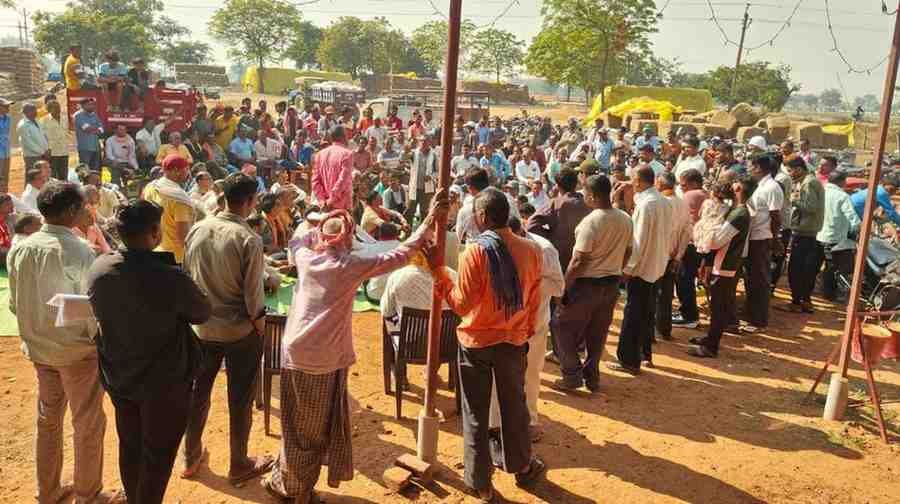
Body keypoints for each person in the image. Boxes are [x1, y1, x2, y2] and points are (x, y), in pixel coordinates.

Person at [261, 191, 448, 503]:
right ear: (348, 238)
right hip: (320, 359)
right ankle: (294, 490)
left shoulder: (306, 257)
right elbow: (401, 254)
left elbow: (298, 238)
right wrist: (429, 219)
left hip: (295, 351)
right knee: (311, 431)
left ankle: (287, 480)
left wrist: (318, 219)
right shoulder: (349, 265)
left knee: (296, 424)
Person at [86, 200, 211, 504]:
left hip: (120, 375)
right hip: (164, 383)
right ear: (155, 232)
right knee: (158, 453)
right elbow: (201, 312)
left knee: (131, 447)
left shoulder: (100, 268)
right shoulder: (169, 276)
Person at [8, 182, 125, 504]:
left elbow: (15, 303)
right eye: (83, 207)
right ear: (73, 211)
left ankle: (48, 491)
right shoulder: (79, 250)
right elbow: (92, 308)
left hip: (40, 350)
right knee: (87, 422)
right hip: (76, 353)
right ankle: (88, 494)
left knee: (48, 421)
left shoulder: (21, 247)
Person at [429, 188, 545, 501]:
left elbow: (461, 304)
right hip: (513, 340)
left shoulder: (474, 253)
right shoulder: (532, 251)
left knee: (476, 412)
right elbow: (534, 300)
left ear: (482, 217)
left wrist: (439, 272)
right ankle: (522, 466)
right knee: (514, 407)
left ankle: (480, 481)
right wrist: (524, 333)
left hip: (477, 342)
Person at [181, 173, 275, 484]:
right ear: (249, 203)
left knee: (198, 394)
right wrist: (261, 327)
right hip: (238, 332)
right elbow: (253, 297)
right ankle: (239, 462)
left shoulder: (197, 229)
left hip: (201, 329)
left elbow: (186, 277)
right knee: (240, 399)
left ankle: (190, 458)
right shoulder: (248, 239)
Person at [552, 174, 632, 391]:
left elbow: (578, 260)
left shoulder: (591, 222)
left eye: (586, 193)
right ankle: (592, 376)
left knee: (561, 325)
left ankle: (571, 375)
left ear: (593, 196)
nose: (584, 196)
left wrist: (564, 288)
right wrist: (616, 267)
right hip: (611, 283)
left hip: (587, 284)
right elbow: (629, 250)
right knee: (597, 333)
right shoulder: (625, 218)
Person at [610, 165, 672, 374]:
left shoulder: (648, 205)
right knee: (646, 312)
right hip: (656, 265)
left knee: (634, 313)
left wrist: (628, 269)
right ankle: (644, 355)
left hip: (642, 268)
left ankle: (628, 360)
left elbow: (638, 241)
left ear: (638, 180)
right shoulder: (662, 200)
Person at [687, 178, 755, 358]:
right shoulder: (737, 211)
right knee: (716, 304)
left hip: (724, 265)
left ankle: (711, 346)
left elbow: (717, 240)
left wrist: (705, 232)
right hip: (722, 263)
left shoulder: (739, 214)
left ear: (739, 188)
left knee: (718, 307)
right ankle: (710, 338)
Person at [744, 154, 783, 331]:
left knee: (760, 280)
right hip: (754, 237)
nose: (748, 169)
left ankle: (758, 320)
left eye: (750, 166)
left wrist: (775, 239)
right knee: (752, 279)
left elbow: (776, 217)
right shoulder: (761, 186)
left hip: (762, 238)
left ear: (759, 168)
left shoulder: (772, 188)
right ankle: (750, 313)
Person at [527, 167, 591, 274]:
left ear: (558, 186)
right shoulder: (588, 203)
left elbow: (531, 225)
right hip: (585, 258)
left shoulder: (555, 204)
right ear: (576, 184)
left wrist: (550, 237)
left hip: (561, 257)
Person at [781, 155, 825, 313]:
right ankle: (803, 300)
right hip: (806, 232)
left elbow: (810, 207)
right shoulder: (807, 181)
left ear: (799, 169)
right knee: (803, 269)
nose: (790, 174)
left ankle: (797, 302)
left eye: (790, 170)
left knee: (797, 269)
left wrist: (792, 199)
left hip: (805, 232)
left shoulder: (809, 183)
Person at [654, 171, 692, 342]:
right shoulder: (681, 203)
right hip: (673, 255)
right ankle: (664, 329)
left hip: (659, 254)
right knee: (666, 293)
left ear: (660, 184)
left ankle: (655, 331)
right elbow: (686, 231)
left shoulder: (661, 204)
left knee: (654, 293)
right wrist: (679, 256)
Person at [816, 170, 860, 301]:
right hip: (834, 238)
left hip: (818, 234)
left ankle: (812, 291)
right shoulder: (842, 196)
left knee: (817, 265)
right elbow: (853, 219)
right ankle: (829, 295)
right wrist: (859, 229)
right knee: (832, 267)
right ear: (842, 181)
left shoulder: (821, 191)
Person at [143, 154, 195, 263]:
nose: (188, 173)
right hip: (177, 257)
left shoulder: (150, 187)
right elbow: (183, 237)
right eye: (186, 169)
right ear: (176, 170)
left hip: (155, 252)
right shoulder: (178, 199)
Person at [311, 125, 353, 211]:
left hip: (324, 206)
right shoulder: (347, 154)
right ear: (343, 137)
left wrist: (322, 201)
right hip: (341, 205)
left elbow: (315, 181)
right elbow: (343, 180)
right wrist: (331, 200)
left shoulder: (320, 154)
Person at [406, 135, 438, 225]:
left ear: (429, 142)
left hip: (427, 189)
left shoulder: (434, 155)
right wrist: (405, 151)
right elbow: (402, 159)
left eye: (425, 141)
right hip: (414, 187)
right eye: (422, 141)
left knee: (424, 212)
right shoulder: (413, 153)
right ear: (419, 142)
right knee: (410, 211)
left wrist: (431, 176)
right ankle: (407, 232)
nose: (423, 143)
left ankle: (422, 235)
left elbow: (437, 171)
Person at [40, 100, 70, 181]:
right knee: (53, 177)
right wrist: (47, 149)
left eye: (58, 107)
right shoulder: (44, 121)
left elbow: (67, 133)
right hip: (52, 153)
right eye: (55, 108)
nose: (58, 109)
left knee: (64, 177)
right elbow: (42, 137)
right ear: (49, 109)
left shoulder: (65, 119)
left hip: (64, 151)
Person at [17, 102, 49, 172]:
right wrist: (42, 152)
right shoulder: (23, 125)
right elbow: (28, 143)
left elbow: (43, 136)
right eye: (33, 110)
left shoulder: (37, 121)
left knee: (41, 177)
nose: (36, 112)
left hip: (43, 155)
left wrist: (46, 149)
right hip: (31, 156)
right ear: (26, 112)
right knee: (32, 177)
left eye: (35, 110)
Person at [74, 98, 104, 170]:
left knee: (95, 171)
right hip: (85, 148)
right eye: (89, 104)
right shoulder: (78, 116)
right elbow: (86, 129)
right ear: (83, 106)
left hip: (96, 148)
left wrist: (94, 129)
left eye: (93, 104)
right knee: (85, 171)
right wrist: (96, 129)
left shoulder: (95, 115)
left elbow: (101, 129)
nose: (92, 106)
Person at [0, 96, 11, 192]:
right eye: (5, 106)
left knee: (5, 175)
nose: (8, 107)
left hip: (6, 151)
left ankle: (4, 196)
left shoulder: (8, 118)